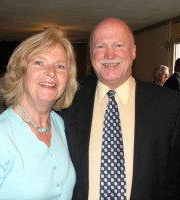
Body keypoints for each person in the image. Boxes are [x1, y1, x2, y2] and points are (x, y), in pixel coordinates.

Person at [59, 18, 180, 200]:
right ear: (91, 53)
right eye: (100, 47)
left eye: (118, 45)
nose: (109, 55)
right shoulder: (65, 100)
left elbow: (175, 179)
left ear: (133, 52)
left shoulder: (170, 106)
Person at [0, 28, 77, 199]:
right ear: (20, 72)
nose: (51, 72)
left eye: (60, 66)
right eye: (39, 62)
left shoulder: (58, 123)